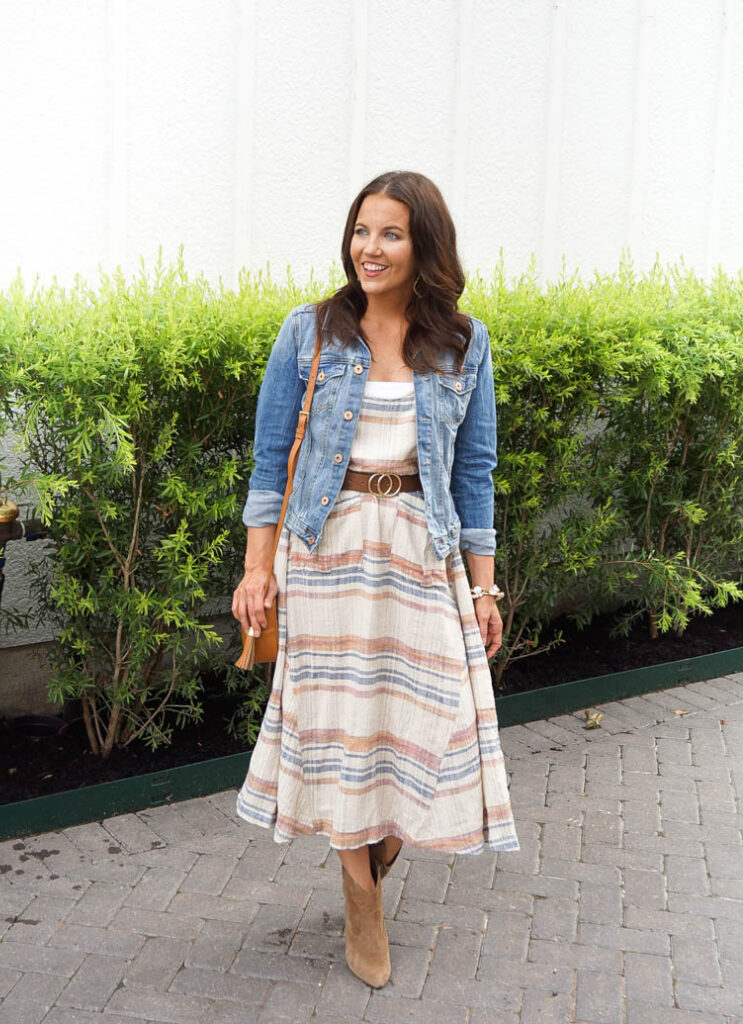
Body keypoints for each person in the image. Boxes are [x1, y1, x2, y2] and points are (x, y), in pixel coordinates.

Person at [231, 170, 518, 988]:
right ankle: (360, 889)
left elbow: (474, 471)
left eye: (389, 233)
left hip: (419, 551)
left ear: (423, 245)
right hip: (327, 552)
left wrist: (483, 586)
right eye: (361, 231)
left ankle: (376, 856)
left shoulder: (464, 341)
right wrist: (257, 569)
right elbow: (267, 459)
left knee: (425, 724)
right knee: (340, 728)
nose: (370, 248)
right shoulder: (310, 332)